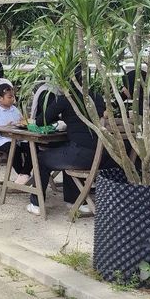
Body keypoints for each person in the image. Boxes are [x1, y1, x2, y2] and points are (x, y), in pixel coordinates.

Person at [35, 74, 105, 216]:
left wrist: (61, 116)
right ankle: (74, 201)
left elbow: (40, 121)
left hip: (81, 155)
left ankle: (35, 203)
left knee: (41, 158)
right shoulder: (97, 97)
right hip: (102, 156)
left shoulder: (67, 99)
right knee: (66, 153)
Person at [0, 84, 32, 186]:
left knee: (33, 147)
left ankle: (24, 174)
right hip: (2, 140)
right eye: (9, 97)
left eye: (13, 97)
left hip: (19, 138)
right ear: (0, 98)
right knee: (14, 149)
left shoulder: (14, 109)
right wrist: (5, 127)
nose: (12, 99)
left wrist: (22, 122)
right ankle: (23, 174)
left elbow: (21, 120)